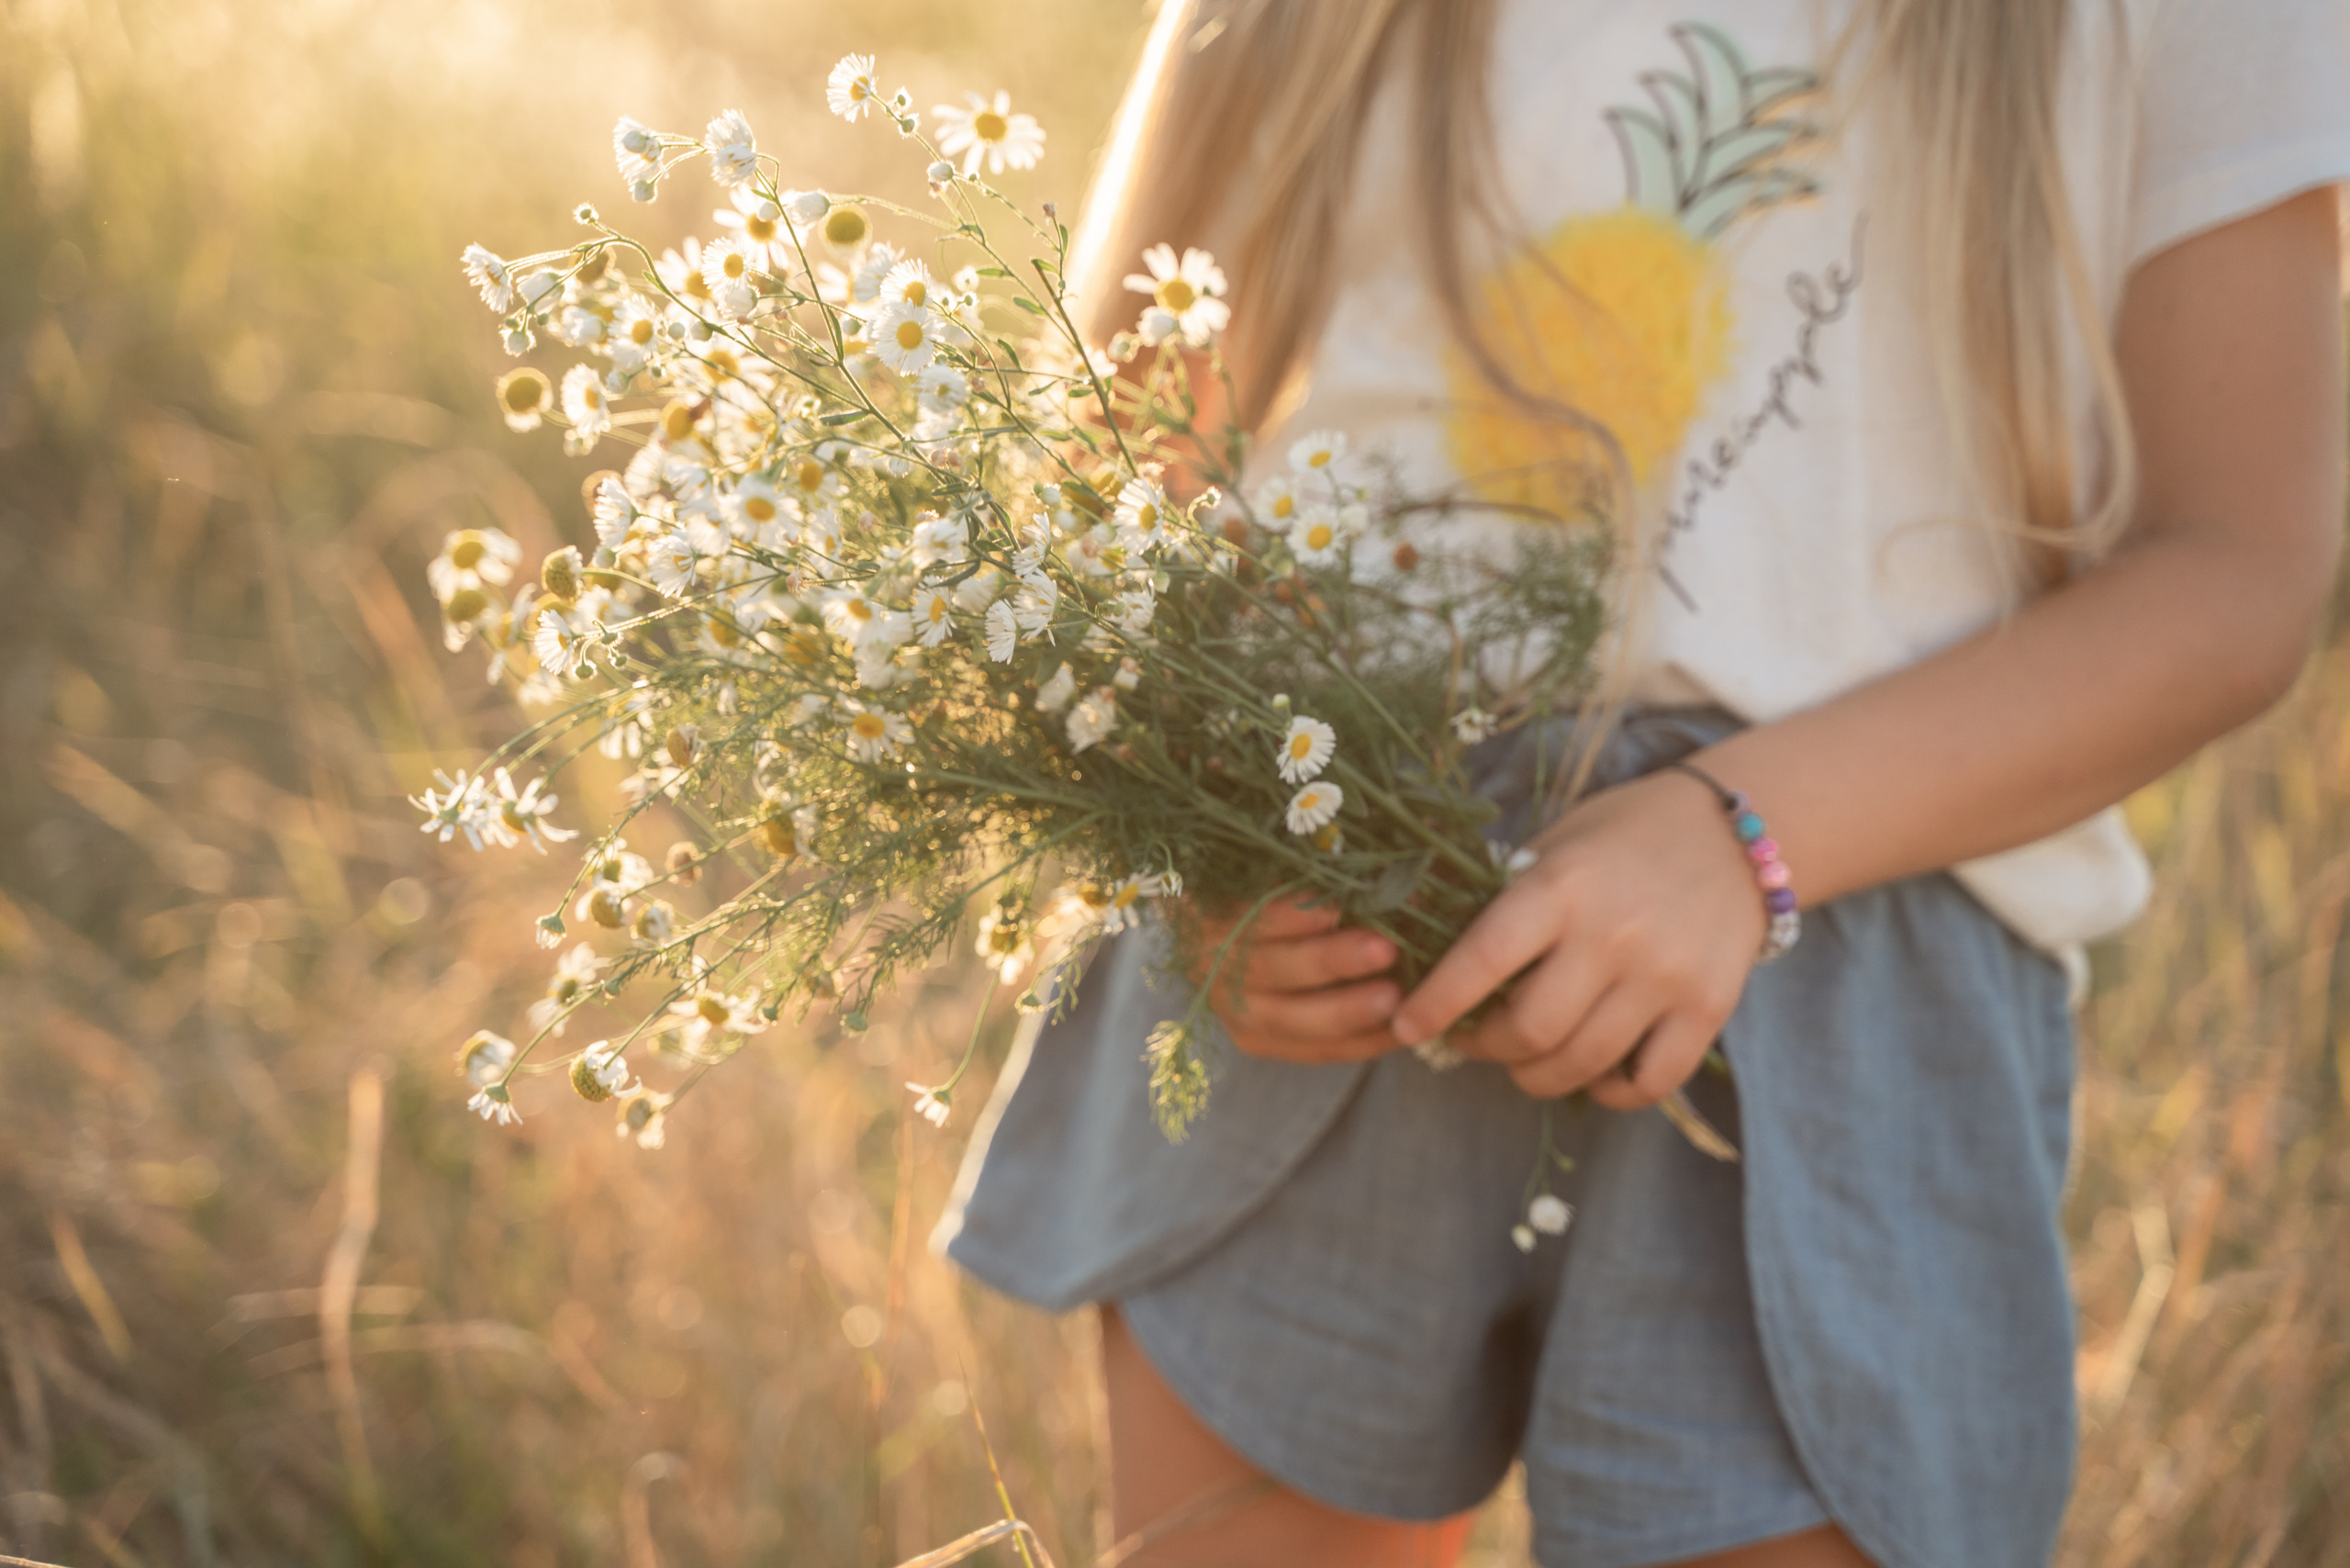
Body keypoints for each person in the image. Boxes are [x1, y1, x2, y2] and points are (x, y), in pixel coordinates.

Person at [934, 1, 2350, 1563]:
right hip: (1319, 887)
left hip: (1856, 952)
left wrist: (1747, 835)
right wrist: (1200, 835)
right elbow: (1118, 443)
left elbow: (2238, 570)